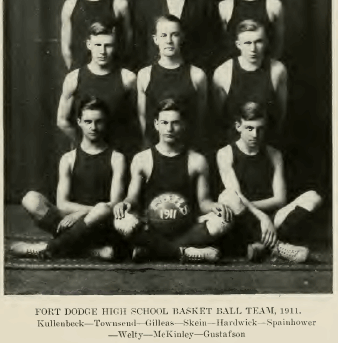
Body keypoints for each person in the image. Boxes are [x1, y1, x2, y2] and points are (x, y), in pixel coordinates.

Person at [113, 99, 232, 263]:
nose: (169, 129)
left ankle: (154, 251)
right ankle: (183, 252)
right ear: (156, 124)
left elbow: (204, 202)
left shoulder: (197, 160)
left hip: (187, 227)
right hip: (152, 226)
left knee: (223, 220)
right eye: (164, 123)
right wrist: (125, 203)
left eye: (175, 123)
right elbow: (132, 198)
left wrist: (215, 206)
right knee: (121, 220)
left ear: (183, 125)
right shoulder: (142, 159)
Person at [10, 96, 127, 260]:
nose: (93, 127)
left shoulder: (117, 158)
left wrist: (80, 214)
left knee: (102, 208)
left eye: (99, 121)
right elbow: (62, 204)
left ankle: (47, 248)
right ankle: (90, 251)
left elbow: (113, 205)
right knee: (30, 199)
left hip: (101, 223)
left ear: (106, 122)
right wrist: (78, 214)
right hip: (69, 222)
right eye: (88, 122)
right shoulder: (68, 159)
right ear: (79, 122)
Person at [216, 101, 322, 263]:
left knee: (313, 197)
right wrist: (261, 217)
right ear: (238, 126)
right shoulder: (225, 153)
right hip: (242, 219)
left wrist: (263, 216)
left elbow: (279, 199)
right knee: (227, 197)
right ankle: (277, 247)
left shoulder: (274, 154)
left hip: (271, 219)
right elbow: (235, 195)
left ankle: (261, 246)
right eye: (249, 128)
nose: (255, 135)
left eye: (260, 129)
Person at [57, 21, 139, 156]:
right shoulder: (74, 78)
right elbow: (62, 120)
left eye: (108, 46)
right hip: (85, 154)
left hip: (119, 152)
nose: (102, 51)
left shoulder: (128, 78)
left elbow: (137, 119)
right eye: (97, 45)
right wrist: (87, 144)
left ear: (115, 46)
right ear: (89, 45)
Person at [137, 14, 207, 149]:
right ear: (155, 39)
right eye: (163, 35)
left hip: (188, 151)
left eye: (174, 34)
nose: (169, 40)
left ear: (182, 37)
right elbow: (143, 119)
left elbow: (201, 119)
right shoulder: (144, 75)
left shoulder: (197, 75)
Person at [212, 19, 287, 146]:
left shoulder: (278, 70)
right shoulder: (222, 72)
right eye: (247, 43)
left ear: (266, 42)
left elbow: (281, 113)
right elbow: (219, 116)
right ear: (238, 44)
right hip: (233, 145)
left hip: (268, 144)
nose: (253, 48)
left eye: (258, 42)